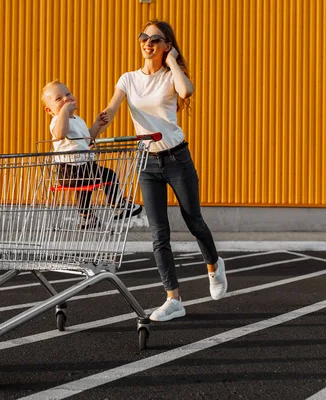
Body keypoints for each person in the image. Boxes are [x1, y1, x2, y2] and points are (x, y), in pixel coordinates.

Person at [100, 20, 227, 321]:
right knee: (159, 234)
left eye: (156, 39)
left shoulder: (171, 77)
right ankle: (173, 298)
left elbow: (188, 90)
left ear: (167, 46)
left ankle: (213, 265)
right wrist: (87, 134)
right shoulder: (128, 79)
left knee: (193, 219)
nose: (148, 42)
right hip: (147, 163)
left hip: (177, 159)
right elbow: (111, 111)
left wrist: (172, 61)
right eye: (144, 37)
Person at [41, 80, 142, 229]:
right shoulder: (57, 120)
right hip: (69, 170)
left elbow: (88, 139)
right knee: (108, 175)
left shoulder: (78, 120)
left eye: (68, 94)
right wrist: (63, 112)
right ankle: (119, 204)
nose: (66, 99)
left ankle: (87, 217)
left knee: (87, 186)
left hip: (83, 166)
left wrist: (97, 124)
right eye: (59, 99)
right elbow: (60, 134)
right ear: (49, 111)